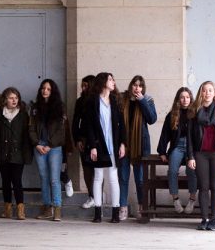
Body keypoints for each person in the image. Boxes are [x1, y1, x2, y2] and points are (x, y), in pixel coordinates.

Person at [186, 80, 215, 231]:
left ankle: (214, 219)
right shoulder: (194, 110)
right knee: (203, 187)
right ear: (201, 93)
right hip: (200, 154)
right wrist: (190, 156)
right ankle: (204, 218)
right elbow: (190, 137)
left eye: (210, 90)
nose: (207, 93)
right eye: (204, 90)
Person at [84, 72, 126, 224]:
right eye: (110, 79)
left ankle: (115, 212)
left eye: (113, 79)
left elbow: (122, 125)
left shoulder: (115, 101)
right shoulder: (92, 101)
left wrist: (122, 143)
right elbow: (89, 126)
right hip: (99, 145)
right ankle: (98, 212)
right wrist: (93, 147)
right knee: (98, 177)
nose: (113, 82)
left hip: (113, 145)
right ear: (103, 82)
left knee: (113, 178)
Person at [118, 75, 157, 220]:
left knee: (140, 179)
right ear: (131, 86)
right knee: (123, 176)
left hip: (141, 145)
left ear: (143, 88)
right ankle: (123, 208)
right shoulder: (123, 99)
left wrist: (141, 101)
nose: (137, 88)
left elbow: (152, 119)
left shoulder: (147, 100)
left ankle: (142, 207)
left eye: (140, 86)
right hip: (124, 143)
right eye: (135, 85)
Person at [0, 86, 32, 220]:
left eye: (16, 98)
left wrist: (26, 154)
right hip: (3, 153)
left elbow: (26, 136)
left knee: (17, 181)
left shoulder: (23, 114)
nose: (14, 100)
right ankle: (7, 208)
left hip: (17, 153)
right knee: (5, 181)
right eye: (11, 98)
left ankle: (20, 209)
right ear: (5, 100)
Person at [28, 78, 67, 222]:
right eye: (43, 88)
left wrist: (50, 145)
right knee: (43, 178)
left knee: (54, 179)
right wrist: (37, 144)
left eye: (48, 89)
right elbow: (31, 128)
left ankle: (57, 209)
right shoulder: (34, 107)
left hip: (54, 147)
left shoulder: (59, 107)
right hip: (39, 146)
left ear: (53, 91)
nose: (45, 91)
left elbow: (61, 131)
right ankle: (47, 208)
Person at [157, 86, 197, 214]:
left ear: (190, 98)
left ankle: (192, 200)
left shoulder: (195, 113)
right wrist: (162, 151)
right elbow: (165, 134)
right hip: (177, 146)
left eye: (187, 97)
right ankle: (175, 199)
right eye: (182, 97)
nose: (185, 100)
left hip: (192, 147)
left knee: (191, 171)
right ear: (178, 99)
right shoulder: (172, 114)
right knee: (172, 171)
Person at [72, 75, 96, 209]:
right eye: (82, 85)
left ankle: (98, 196)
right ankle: (91, 195)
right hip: (84, 139)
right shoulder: (80, 101)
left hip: (97, 141)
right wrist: (77, 139)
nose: (83, 88)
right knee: (87, 169)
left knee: (97, 171)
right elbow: (76, 122)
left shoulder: (98, 100)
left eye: (86, 85)